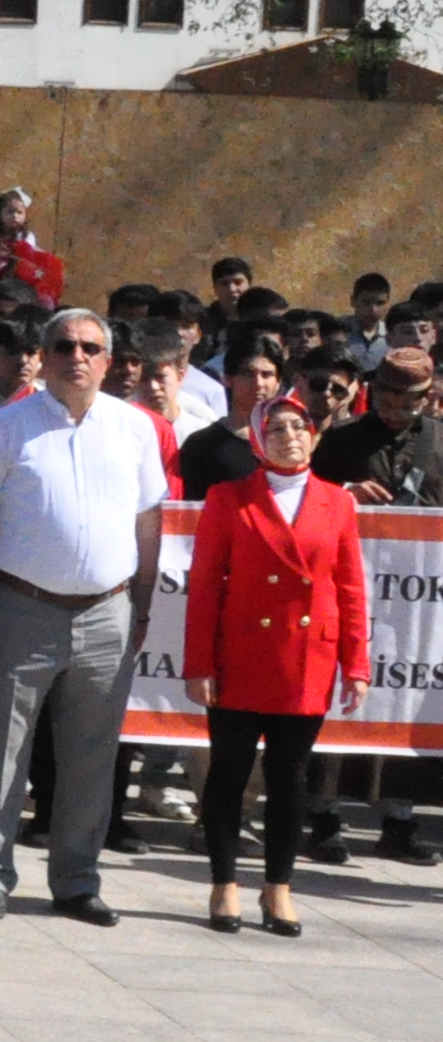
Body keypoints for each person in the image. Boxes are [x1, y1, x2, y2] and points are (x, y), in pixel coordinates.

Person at [0, 305, 174, 922]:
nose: (78, 357)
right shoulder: (8, 427)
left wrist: (143, 605)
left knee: (92, 755)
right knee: (0, 752)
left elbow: (148, 523)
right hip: (23, 609)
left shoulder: (135, 429)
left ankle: (77, 880)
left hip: (108, 615)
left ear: (108, 361)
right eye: (65, 346)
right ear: (43, 358)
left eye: (90, 348)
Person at [186, 392, 369, 938]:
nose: (290, 435)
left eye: (300, 425)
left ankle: (279, 889)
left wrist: (355, 662)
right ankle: (224, 884)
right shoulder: (229, 497)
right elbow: (203, 588)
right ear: (258, 439)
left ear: (314, 434)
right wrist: (200, 662)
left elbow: (350, 588)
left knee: (290, 778)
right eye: (277, 428)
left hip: (306, 658)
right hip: (241, 655)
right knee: (229, 774)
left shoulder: (337, 503)